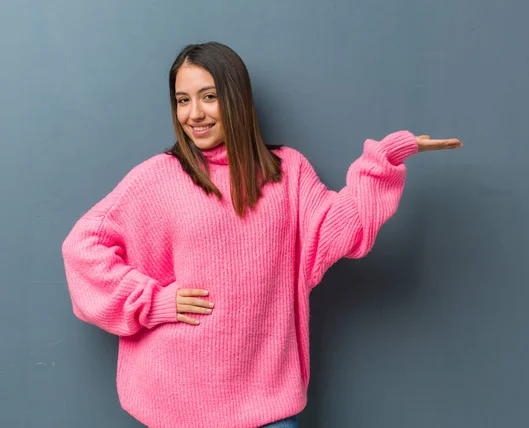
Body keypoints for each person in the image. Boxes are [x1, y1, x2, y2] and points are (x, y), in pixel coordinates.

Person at [62, 42, 463, 428]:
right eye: (182, 100)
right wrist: (153, 302)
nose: (194, 113)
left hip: (269, 402)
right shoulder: (158, 177)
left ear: (236, 98)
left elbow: (346, 226)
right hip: (179, 405)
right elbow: (82, 248)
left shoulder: (287, 172)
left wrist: (385, 159)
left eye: (208, 96)